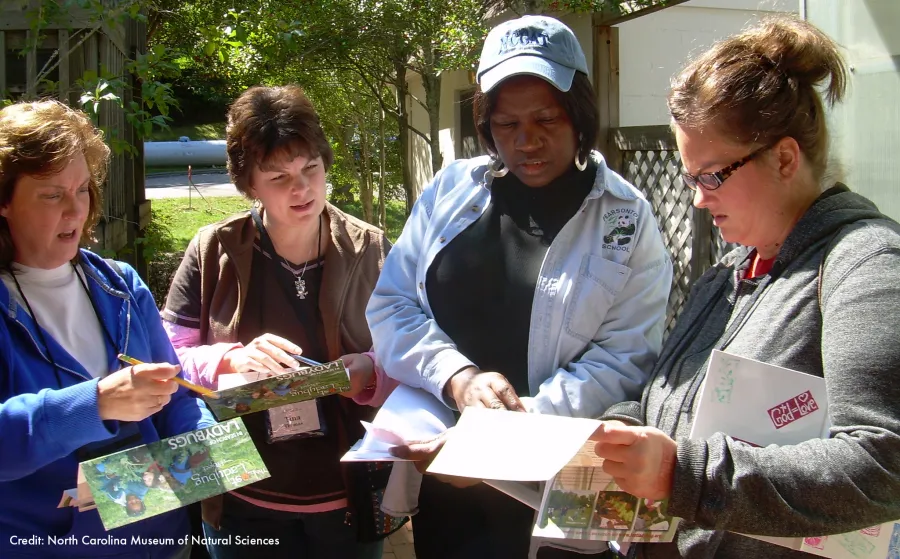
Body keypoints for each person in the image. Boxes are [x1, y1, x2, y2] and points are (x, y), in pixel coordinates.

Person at [591, 16, 900, 558]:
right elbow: (673, 407)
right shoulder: (727, 274)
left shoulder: (867, 264)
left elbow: (882, 464)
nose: (697, 200)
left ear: (784, 158)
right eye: (689, 178)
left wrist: (682, 474)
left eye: (710, 175)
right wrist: (624, 431)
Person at [366, 15, 672, 559]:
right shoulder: (451, 192)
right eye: (506, 125)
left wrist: (510, 431)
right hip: (447, 480)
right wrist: (458, 378)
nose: (526, 142)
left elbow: (625, 358)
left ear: (579, 114)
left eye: (546, 119)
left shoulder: (625, 219)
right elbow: (393, 306)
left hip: (560, 492)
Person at [161, 85, 397, 559]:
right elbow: (168, 359)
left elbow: (409, 353)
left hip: (348, 497)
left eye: (311, 168)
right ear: (248, 183)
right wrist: (229, 359)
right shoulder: (214, 250)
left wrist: (371, 371)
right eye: (278, 176)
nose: (302, 188)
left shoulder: (371, 250)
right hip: (243, 500)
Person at [0, 99, 216, 559]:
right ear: (4, 201)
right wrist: (94, 403)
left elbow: (175, 394)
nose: (75, 211)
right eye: (52, 194)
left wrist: (211, 452)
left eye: (82, 190)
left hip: (160, 541)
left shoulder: (120, 284)